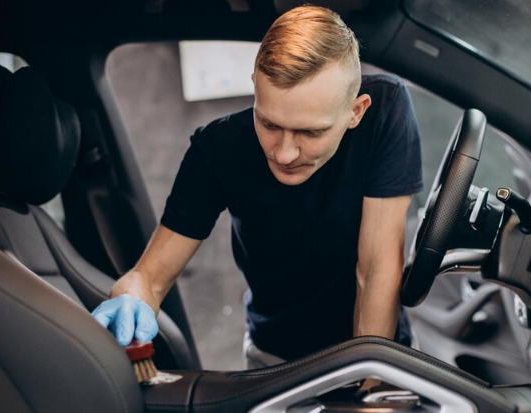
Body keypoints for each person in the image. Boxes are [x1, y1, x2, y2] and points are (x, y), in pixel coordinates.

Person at [91, 4, 423, 368]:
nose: (284, 153)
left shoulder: (385, 112)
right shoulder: (216, 148)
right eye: (268, 124)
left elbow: (375, 269)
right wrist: (132, 300)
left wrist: (370, 387)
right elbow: (148, 278)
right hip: (274, 355)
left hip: (377, 348)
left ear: (355, 112)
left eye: (310, 132)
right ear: (255, 89)